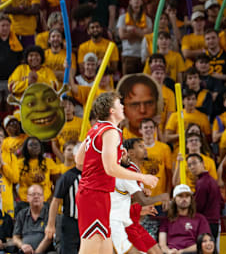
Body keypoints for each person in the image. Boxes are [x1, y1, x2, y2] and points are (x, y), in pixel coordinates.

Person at [74, 92, 158, 254]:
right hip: (95, 195)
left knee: (105, 250)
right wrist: (142, 177)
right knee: (88, 249)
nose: (123, 107)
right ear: (112, 110)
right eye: (120, 104)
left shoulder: (95, 129)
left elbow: (79, 160)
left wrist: (104, 161)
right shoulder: (112, 132)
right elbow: (110, 168)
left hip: (96, 194)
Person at [110, 138, 168, 254]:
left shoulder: (136, 171)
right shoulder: (128, 171)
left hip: (134, 223)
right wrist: (163, 197)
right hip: (126, 225)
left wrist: (141, 209)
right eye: (140, 146)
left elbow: (127, 200)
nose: (145, 148)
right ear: (131, 152)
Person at [45, 144, 82, 254]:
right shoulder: (68, 176)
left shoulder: (93, 175)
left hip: (88, 222)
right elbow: (55, 201)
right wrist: (51, 225)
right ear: (76, 156)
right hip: (70, 221)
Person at [158, 184, 211, 253]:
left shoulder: (200, 219)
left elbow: (204, 243)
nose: (184, 199)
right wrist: (169, 251)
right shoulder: (167, 219)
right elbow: (162, 244)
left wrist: (182, 251)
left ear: (191, 199)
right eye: (180, 196)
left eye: (187, 196)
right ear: (174, 199)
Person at [186, 154, 222, 238]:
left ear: (202, 163)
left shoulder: (202, 182)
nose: (192, 167)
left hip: (206, 222)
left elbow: (199, 206)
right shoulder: (211, 180)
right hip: (214, 221)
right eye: (189, 165)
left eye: (194, 163)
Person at [13, 184, 53, 254]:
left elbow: (49, 238)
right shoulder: (22, 214)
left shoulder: (50, 214)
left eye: (39, 194)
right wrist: (22, 246)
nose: (36, 197)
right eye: (33, 194)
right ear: (27, 198)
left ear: (43, 197)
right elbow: (15, 237)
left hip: (45, 251)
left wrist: (36, 252)